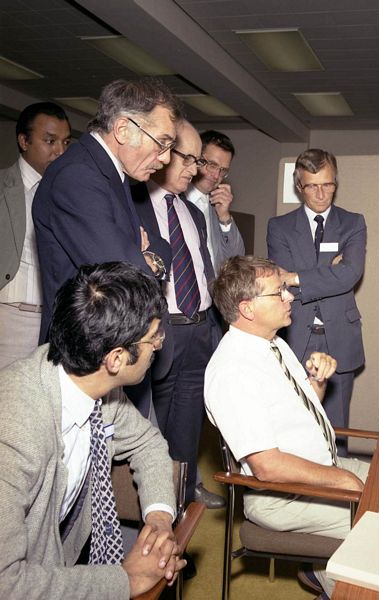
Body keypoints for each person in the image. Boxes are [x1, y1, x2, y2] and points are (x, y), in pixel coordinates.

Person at [0, 262, 185, 599]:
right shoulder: (14, 431)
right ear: (115, 359)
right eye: (152, 339)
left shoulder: (90, 384)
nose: (158, 345)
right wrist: (125, 581)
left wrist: (158, 518)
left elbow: (147, 443)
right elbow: (7, 583)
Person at [205, 255, 370, 599]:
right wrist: (341, 480)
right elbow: (267, 466)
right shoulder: (233, 371)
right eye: (278, 292)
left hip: (319, 470)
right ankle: (337, 585)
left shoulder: (273, 344)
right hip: (281, 497)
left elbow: (301, 410)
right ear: (247, 309)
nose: (290, 297)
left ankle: (319, 570)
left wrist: (317, 381)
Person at [32, 78, 179, 416]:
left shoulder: (114, 176)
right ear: (124, 129)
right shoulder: (79, 176)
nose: (166, 158)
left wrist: (146, 258)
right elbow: (128, 283)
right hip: (88, 362)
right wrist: (139, 260)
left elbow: (160, 249)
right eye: (162, 143)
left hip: (119, 357)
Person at [132, 120, 224, 508]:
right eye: (188, 158)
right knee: (152, 428)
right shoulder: (133, 205)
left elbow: (202, 271)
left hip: (200, 329)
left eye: (197, 160)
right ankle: (153, 504)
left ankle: (185, 491)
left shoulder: (191, 211)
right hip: (161, 332)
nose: (195, 168)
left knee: (188, 425)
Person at [267, 148, 367, 455]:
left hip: (340, 337)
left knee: (337, 433)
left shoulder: (353, 223)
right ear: (299, 186)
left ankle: (340, 497)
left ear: (336, 182)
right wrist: (329, 272)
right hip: (296, 335)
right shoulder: (279, 227)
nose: (321, 193)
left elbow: (350, 274)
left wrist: (298, 277)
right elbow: (281, 278)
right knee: (294, 428)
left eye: (328, 184)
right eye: (312, 186)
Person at [0, 102, 71, 369]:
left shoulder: (70, 194)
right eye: (50, 141)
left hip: (53, 322)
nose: (60, 151)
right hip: (8, 317)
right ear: (24, 141)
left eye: (65, 142)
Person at [185, 130, 244, 272]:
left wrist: (224, 217)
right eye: (212, 165)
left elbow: (236, 259)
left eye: (223, 170)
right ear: (197, 159)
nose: (216, 175)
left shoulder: (216, 207)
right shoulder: (172, 199)